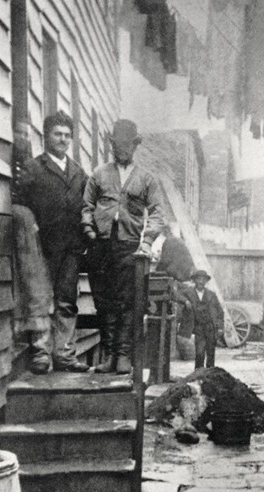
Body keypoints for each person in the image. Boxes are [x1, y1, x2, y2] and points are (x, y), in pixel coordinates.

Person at [82, 119, 165, 374]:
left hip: (129, 246)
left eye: (128, 145)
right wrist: (89, 230)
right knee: (104, 300)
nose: (123, 149)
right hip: (101, 245)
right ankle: (109, 356)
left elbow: (157, 213)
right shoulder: (99, 174)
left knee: (127, 301)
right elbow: (87, 206)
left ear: (135, 146)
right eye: (119, 144)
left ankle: (124, 356)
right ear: (112, 145)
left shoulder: (146, 179)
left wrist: (148, 241)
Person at [14, 111, 89, 374]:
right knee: (41, 299)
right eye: (57, 134)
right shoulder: (34, 168)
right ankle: (41, 353)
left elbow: (86, 208)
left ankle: (64, 354)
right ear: (46, 136)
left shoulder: (79, 173)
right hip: (41, 247)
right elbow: (19, 205)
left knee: (67, 301)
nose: (63, 139)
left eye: (67, 135)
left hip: (70, 248)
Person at [179, 270, 224, 369]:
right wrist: (185, 301)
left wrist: (220, 327)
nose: (201, 282)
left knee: (211, 353)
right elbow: (175, 294)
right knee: (199, 353)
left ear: (206, 281)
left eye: (203, 279)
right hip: (198, 327)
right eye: (198, 279)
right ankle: (198, 375)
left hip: (210, 327)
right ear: (194, 280)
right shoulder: (188, 293)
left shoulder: (211, 294)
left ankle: (209, 376)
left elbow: (220, 311)